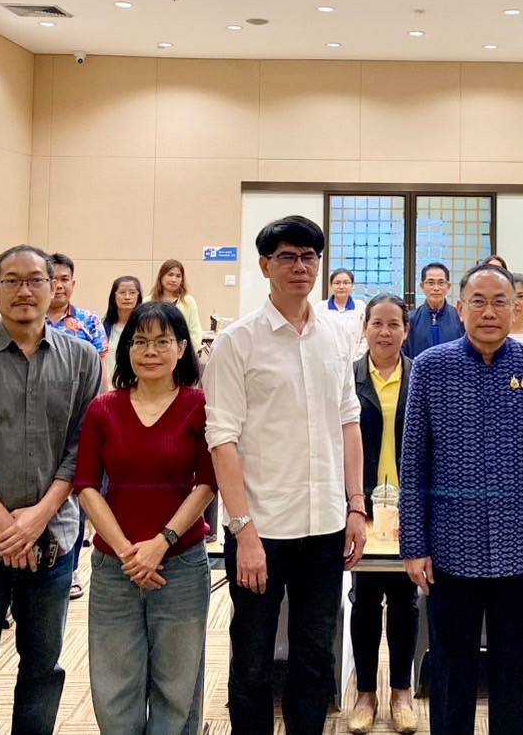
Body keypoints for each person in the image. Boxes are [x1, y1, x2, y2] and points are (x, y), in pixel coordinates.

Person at [204, 215, 367, 735]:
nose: (301, 267)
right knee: (251, 659)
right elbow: (222, 440)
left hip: (324, 526)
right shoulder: (237, 342)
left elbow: (348, 422)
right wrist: (243, 529)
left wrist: (357, 506)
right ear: (264, 266)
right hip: (262, 530)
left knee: (315, 655)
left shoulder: (339, 335)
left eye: (309, 258)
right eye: (288, 258)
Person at [0, 244, 103, 735]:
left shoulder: (82, 359)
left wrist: (37, 518)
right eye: (12, 281)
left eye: (35, 280)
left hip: (54, 541)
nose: (25, 290)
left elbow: (83, 449)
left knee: (43, 670)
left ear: (55, 288)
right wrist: (7, 525)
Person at [400, 264, 523, 735]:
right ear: (461, 308)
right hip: (449, 554)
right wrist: (414, 545)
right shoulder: (433, 367)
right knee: (451, 676)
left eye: (501, 301)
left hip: (521, 555)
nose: (490, 311)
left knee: (512, 677)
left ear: (517, 308)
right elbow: (412, 462)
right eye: (478, 301)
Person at [74, 301, 215, 735]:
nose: (150, 351)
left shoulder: (200, 406)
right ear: (126, 348)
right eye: (140, 341)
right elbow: (86, 486)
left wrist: (161, 543)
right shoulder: (104, 409)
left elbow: (208, 484)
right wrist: (127, 553)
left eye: (162, 342)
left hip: (181, 563)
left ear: (182, 348)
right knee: (114, 687)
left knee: (177, 687)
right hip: (115, 568)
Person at [348, 294, 419, 735]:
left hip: (409, 504)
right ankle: (366, 694)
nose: (385, 331)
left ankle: (402, 692)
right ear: (365, 328)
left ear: (405, 331)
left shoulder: (421, 375)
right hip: (364, 505)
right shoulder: (349, 377)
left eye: (394, 324)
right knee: (366, 599)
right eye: (377, 323)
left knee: (407, 600)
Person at [47, 250, 109, 598]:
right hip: (41, 422)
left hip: (82, 420)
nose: (59, 286)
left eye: (65, 279)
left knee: (79, 489)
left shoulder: (88, 321)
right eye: (52, 279)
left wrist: (101, 412)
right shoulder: (31, 321)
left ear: (73, 283)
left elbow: (101, 369)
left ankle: (69, 569)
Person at [401, 261, 464, 359]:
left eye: (441, 283)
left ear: (448, 287)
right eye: (430, 283)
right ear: (422, 287)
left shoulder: (459, 317)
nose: (436, 288)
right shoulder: (411, 319)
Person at [153, 258, 203, 348]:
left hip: (182, 354)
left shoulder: (188, 302)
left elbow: (195, 331)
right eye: (170, 275)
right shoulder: (148, 301)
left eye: (178, 276)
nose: (174, 279)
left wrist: (185, 352)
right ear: (161, 276)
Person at [325, 266, 366, 357]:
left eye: (346, 283)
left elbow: (366, 336)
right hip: (328, 361)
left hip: (355, 360)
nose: (341, 287)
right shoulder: (320, 308)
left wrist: (359, 357)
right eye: (337, 283)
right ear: (331, 285)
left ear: (352, 286)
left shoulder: (361, 307)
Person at [103, 274, 144, 352]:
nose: (127, 297)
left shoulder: (145, 326)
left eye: (132, 293)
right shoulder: (102, 327)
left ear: (138, 297)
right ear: (114, 297)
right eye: (122, 292)